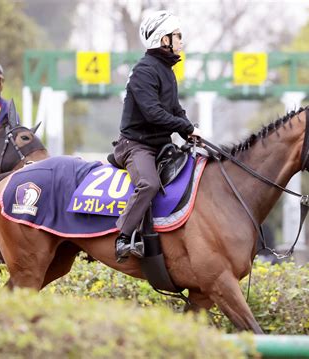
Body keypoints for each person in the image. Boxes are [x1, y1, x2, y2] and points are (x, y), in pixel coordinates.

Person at [113, 10, 202, 262]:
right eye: (178, 36)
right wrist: (185, 128)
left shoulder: (166, 71)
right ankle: (123, 236)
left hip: (161, 145)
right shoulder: (144, 70)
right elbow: (153, 113)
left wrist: (192, 130)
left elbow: (175, 109)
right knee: (149, 184)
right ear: (164, 40)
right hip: (136, 146)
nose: (181, 41)